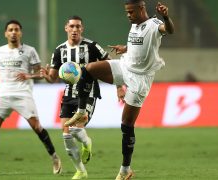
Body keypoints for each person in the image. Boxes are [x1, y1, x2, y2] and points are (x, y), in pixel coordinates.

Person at [64, 1, 174, 180]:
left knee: (126, 125)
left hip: (140, 79)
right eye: (126, 12)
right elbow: (140, 46)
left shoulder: (154, 25)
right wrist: (126, 48)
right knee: (88, 69)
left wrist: (166, 17)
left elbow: (168, 30)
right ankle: (82, 112)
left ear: (141, 9)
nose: (128, 15)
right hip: (125, 66)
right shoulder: (134, 26)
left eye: (131, 12)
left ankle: (125, 169)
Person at [0, 19, 62, 176]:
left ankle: (54, 157)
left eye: (16, 30)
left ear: (21, 32)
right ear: (5, 33)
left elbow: (41, 74)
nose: (13, 32)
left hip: (22, 93)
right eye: (10, 30)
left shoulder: (30, 51)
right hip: (3, 93)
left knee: (36, 127)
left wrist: (28, 75)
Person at [40, 15, 109, 179]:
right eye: (72, 26)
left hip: (88, 92)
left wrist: (120, 86)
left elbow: (109, 64)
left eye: (78, 27)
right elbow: (52, 78)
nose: (75, 30)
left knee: (77, 129)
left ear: (82, 29)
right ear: (66, 28)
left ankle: (87, 143)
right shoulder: (59, 50)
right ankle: (81, 171)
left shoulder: (92, 46)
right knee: (66, 134)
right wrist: (46, 76)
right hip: (68, 94)